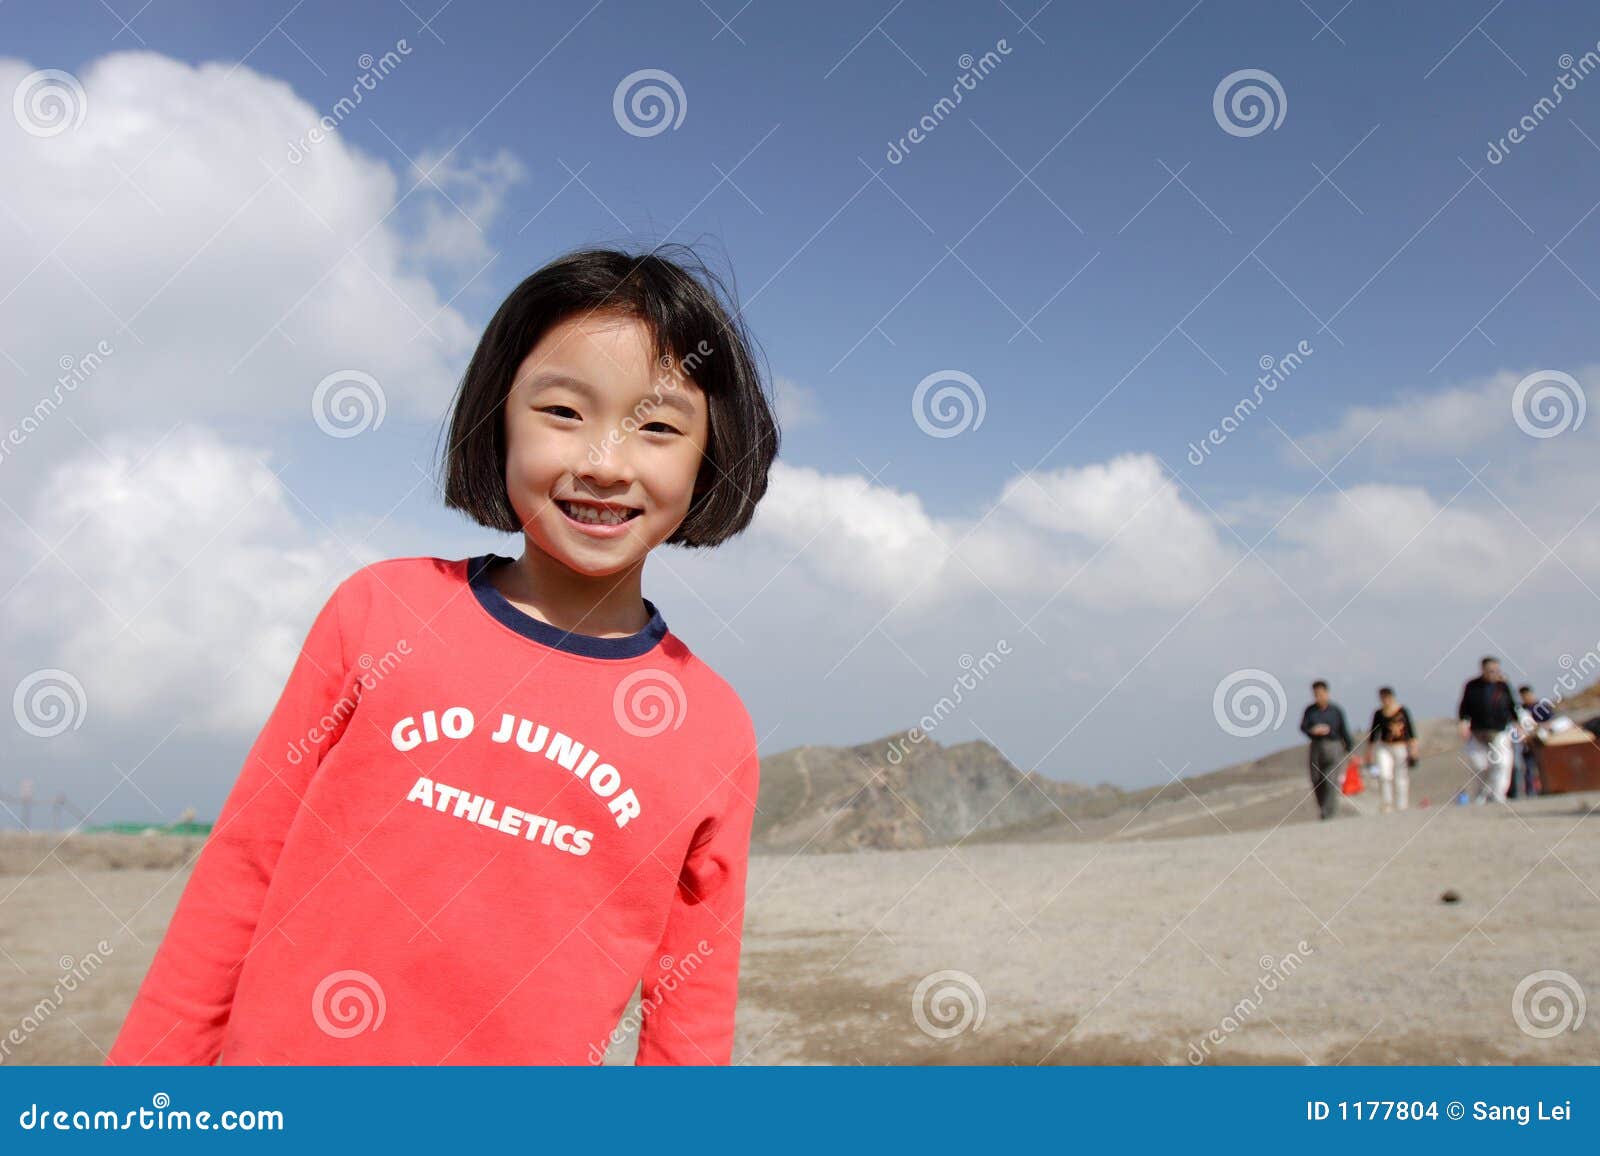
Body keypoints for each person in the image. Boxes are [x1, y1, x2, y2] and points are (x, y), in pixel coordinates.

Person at [107, 246, 781, 1066]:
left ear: (710, 458)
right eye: (563, 412)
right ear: (496, 420)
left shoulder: (708, 726)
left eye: (658, 427)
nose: (604, 463)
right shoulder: (381, 613)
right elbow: (242, 868)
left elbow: (693, 1003)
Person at [1458, 656, 1519, 804]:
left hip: (1500, 731)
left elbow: (1511, 706)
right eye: (1490, 671)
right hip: (1478, 732)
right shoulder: (1472, 686)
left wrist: (1517, 722)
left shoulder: (1503, 686)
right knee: (1480, 766)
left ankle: (1498, 794)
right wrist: (1463, 724)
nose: (1494, 673)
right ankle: (1482, 795)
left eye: (1496, 670)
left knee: (1502, 763)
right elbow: (1464, 708)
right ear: (1483, 670)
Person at [1300, 680, 1353, 820]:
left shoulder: (1336, 711)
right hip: (1316, 747)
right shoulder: (1310, 710)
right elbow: (1303, 727)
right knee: (1316, 779)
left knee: (1330, 780)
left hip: (1333, 746)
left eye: (1320, 693)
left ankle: (1329, 814)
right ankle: (1323, 807)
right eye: (1316, 694)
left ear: (1326, 693)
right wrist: (1313, 731)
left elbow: (1344, 730)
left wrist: (1350, 749)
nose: (1318, 696)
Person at [1366, 686, 1418, 814]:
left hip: (1400, 746)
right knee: (1384, 774)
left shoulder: (1402, 711)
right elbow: (1373, 734)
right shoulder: (1378, 714)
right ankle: (1387, 804)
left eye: (1387, 698)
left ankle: (1402, 805)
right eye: (1383, 698)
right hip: (1384, 747)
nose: (1385, 701)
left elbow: (1410, 731)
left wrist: (1413, 749)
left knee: (1401, 776)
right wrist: (1369, 752)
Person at [1511, 685, 1553, 799]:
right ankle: (1530, 792)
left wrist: (1537, 729)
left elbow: (1549, 723)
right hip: (1526, 744)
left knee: (1543, 767)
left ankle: (1547, 789)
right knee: (1528, 768)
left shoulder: (1542, 707)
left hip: (1541, 742)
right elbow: (1516, 725)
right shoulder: (1520, 710)